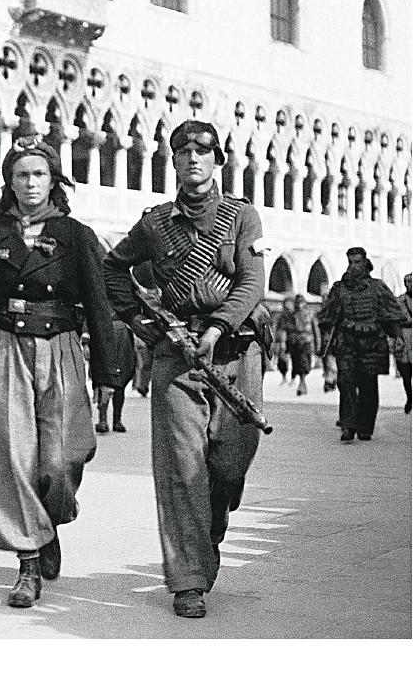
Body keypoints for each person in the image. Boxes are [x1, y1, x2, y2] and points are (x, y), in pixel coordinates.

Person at [103, 119, 267, 619]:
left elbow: (253, 281)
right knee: (180, 469)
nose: (193, 159)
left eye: (203, 151)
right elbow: (113, 268)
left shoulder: (241, 216)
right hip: (177, 354)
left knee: (228, 463)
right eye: (183, 152)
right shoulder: (154, 223)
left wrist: (217, 327)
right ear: (172, 161)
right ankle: (188, 578)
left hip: (235, 350)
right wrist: (139, 321)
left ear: (217, 160)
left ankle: (213, 516)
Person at [0, 136, 117, 608]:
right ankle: (27, 560)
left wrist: (107, 370)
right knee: (11, 456)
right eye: (21, 174)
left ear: (53, 180)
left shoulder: (77, 236)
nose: (30, 183)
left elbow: (99, 306)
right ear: (9, 181)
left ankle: (51, 517)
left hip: (60, 346)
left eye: (38, 174)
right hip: (3, 347)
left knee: (62, 460)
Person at [316, 247, 405, 442]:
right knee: (346, 383)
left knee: (368, 386)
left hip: (372, 342)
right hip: (347, 342)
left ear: (365, 263)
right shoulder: (339, 288)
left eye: (357, 262)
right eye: (350, 262)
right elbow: (327, 316)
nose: (353, 266)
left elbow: (392, 313)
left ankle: (365, 427)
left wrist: (397, 337)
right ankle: (348, 425)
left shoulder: (378, 287)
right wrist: (324, 339)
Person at [96, 315, 138, 434]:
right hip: (103, 333)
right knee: (104, 380)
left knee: (120, 381)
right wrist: (86, 343)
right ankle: (102, 419)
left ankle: (117, 420)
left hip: (124, 337)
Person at [275, 294, 320, 396]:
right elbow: (284, 329)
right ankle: (299, 381)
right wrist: (283, 343)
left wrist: (318, 347)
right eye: (297, 303)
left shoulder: (310, 313)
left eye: (301, 302)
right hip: (294, 342)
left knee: (304, 362)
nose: (299, 305)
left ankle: (302, 383)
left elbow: (315, 330)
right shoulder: (291, 314)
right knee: (296, 362)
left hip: (306, 341)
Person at [394, 273, 412, 414]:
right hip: (405, 338)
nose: (409, 284)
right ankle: (410, 397)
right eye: (406, 281)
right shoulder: (399, 301)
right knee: (406, 372)